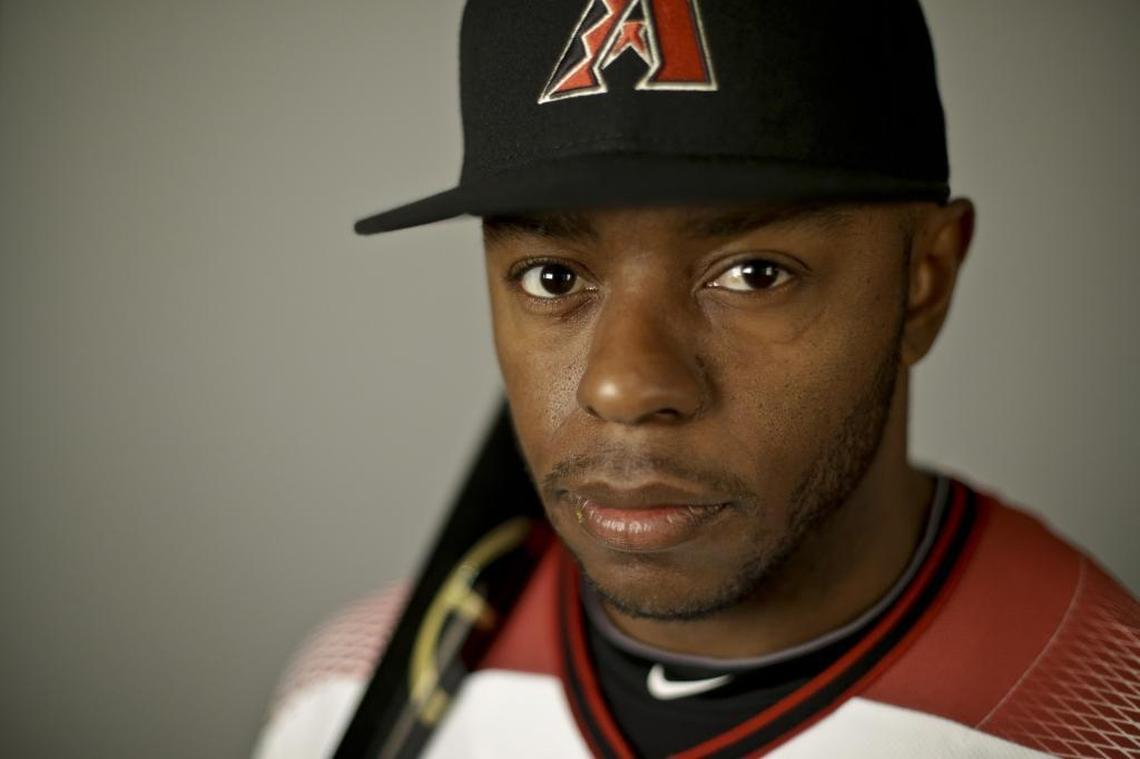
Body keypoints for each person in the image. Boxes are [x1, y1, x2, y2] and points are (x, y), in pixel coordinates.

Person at [254, 1, 1139, 757]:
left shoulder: (1104, 715)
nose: (624, 386)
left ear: (925, 280)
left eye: (754, 272)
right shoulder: (347, 686)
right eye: (553, 277)